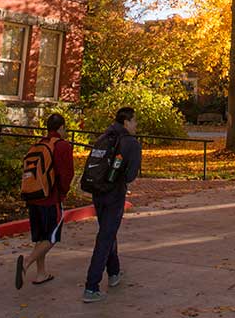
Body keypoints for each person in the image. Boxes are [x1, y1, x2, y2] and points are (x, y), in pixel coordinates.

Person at [82, 107, 142, 303]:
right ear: (126, 122)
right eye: (134, 121)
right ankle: (92, 286)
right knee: (106, 236)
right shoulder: (130, 143)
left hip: (98, 191)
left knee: (108, 231)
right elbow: (131, 174)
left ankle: (114, 272)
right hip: (114, 193)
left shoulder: (104, 136)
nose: (136, 125)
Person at [17, 113, 74, 288]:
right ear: (61, 128)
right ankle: (26, 263)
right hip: (51, 198)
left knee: (40, 237)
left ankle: (41, 273)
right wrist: (63, 192)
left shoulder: (38, 145)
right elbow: (66, 173)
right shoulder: (63, 146)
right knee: (51, 237)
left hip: (33, 196)